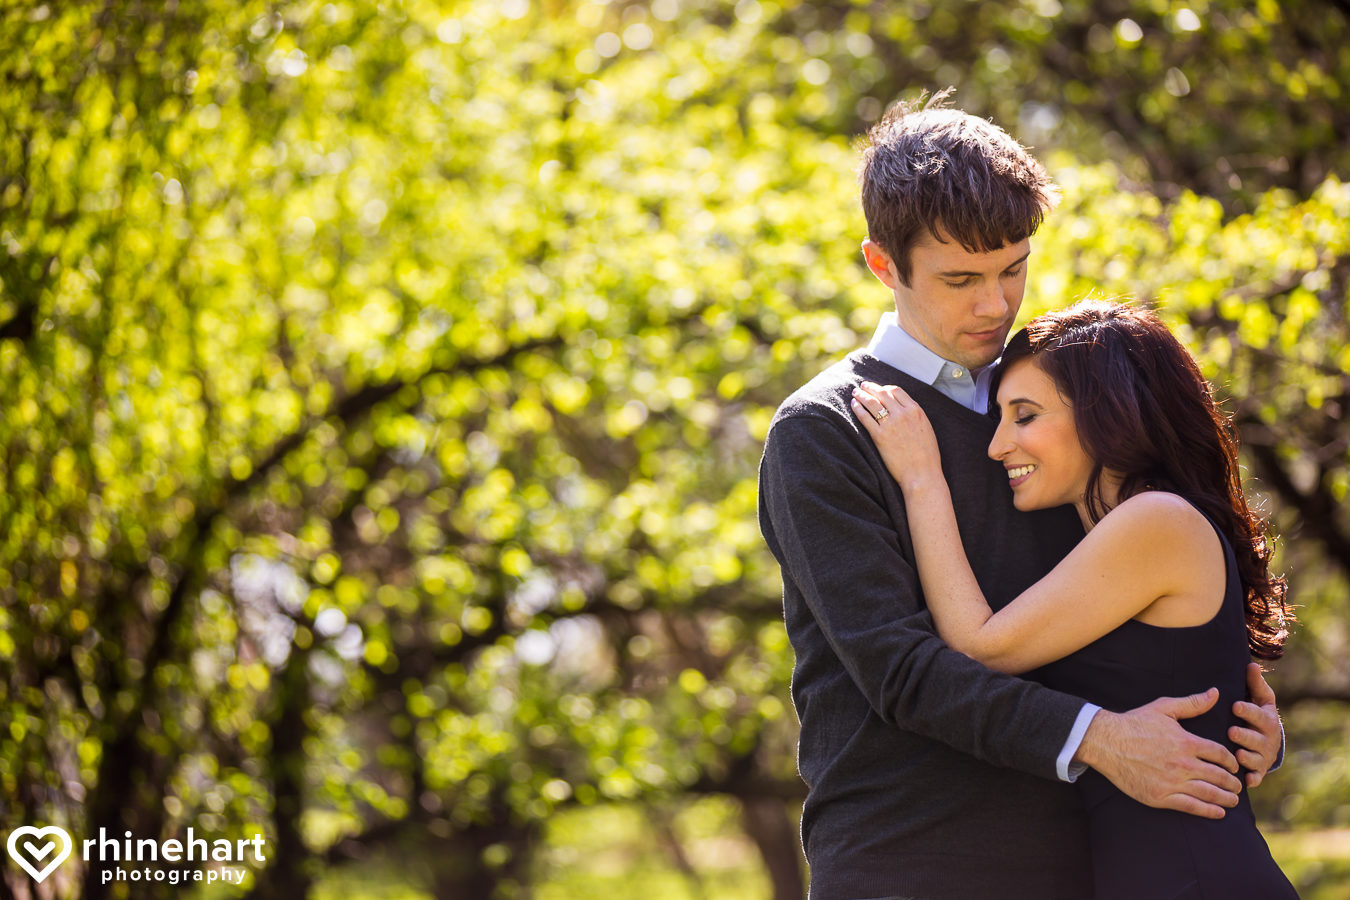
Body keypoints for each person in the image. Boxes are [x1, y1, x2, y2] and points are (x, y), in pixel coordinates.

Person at [756, 92, 1285, 900]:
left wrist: (1239, 717)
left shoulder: (1061, 400)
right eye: (961, 279)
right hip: (912, 863)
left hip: (1094, 860)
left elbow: (1141, 578)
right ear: (883, 265)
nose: (996, 304)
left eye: (1013, 268)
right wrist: (1098, 739)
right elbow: (902, 672)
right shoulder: (827, 431)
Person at [850, 300, 1297, 898]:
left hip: (1196, 878)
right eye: (1000, 417)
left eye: (1025, 416)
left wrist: (923, 479)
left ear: (1106, 414)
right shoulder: (1107, 537)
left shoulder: (1156, 521)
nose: (997, 445)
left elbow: (982, 649)